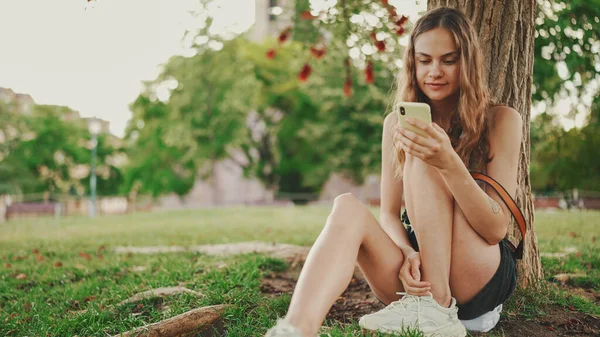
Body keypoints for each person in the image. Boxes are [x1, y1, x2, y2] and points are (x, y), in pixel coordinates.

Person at [265, 6, 522, 337]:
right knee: (346, 206)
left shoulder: (501, 120)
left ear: (468, 63)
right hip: (419, 272)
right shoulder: (394, 125)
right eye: (424, 60)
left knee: (424, 152)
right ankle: (295, 329)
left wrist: (447, 162)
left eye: (449, 60)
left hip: (477, 275)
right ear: (412, 62)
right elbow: (388, 213)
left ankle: (438, 309)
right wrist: (405, 252)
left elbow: (496, 229)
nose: (434, 71)